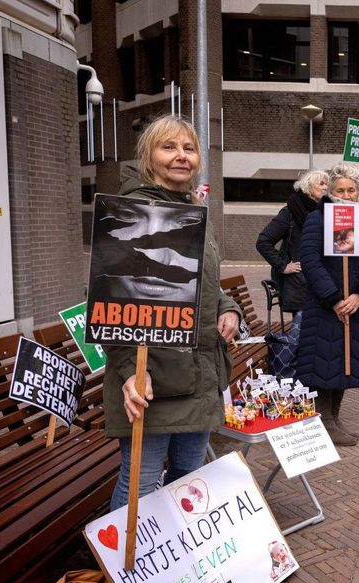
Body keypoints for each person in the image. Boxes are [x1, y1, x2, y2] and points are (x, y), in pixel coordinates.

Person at [103, 114, 241, 511]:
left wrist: (228, 308)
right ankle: (129, 571)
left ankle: (173, 565)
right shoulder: (129, 212)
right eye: (169, 147)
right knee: (141, 484)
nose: (181, 156)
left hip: (200, 373)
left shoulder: (198, 213)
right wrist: (131, 372)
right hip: (153, 379)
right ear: (149, 155)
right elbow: (109, 302)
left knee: (189, 480)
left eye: (189, 148)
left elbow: (207, 284)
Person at [295, 163, 359, 445]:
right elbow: (310, 260)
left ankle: (335, 418)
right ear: (329, 192)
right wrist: (334, 298)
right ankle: (324, 421)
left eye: (351, 189)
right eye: (339, 190)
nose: (346, 194)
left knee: (345, 362)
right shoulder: (318, 219)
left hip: (354, 305)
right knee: (325, 362)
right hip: (326, 306)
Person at [255, 169, 328, 317]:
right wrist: (283, 266)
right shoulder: (290, 212)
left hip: (321, 281)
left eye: (327, 184)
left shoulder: (325, 211)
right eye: (321, 183)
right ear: (308, 187)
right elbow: (263, 241)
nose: (325, 187)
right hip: (299, 284)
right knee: (301, 333)